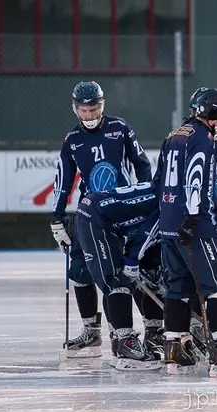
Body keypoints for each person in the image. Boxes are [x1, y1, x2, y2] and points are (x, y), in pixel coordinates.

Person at [152, 87, 217, 378]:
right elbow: (196, 177)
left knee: (177, 287)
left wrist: (171, 217)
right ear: (209, 114)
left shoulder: (173, 135)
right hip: (197, 225)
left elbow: (158, 182)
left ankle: (174, 348)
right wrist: (194, 216)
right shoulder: (205, 138)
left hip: (167, 225)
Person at [50, 81, 152, 358]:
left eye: (93, 109)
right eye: (84, 111)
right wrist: (57, 217)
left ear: (102, 106)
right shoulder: (72, 140)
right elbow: (64, 180)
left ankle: (148, 329)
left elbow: (142, 164)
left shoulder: (120, 128)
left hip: (121, 210)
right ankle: (91, 332)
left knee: (125, 272)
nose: (90, 116)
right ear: (76, 109)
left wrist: (145, 199)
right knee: (79, 272)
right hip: (88, 213)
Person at [73, 181, 162, 370]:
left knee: (127, 277)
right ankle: (126, 344)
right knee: (115, 281)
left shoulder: (166, 193)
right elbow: (148, 233)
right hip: (96, 218)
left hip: (99, 216)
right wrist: (131, 259)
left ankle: (124, 339)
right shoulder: (170, 203)